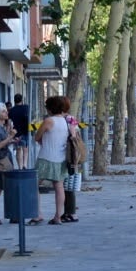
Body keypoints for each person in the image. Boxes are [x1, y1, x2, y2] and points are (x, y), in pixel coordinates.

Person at [33, 95, 69, 225]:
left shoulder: (48, 121)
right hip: (61, 158)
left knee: (33, 185)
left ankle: (38, 214)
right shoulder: (65, 121)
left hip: (46, 157)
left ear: (50, 108)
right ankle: (58, 216)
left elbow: (37, 137)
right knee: (59, 187)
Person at [60, 95, 82, 223]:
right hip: (71, 154)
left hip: (68, 154)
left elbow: (73, 136)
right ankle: (68, 212)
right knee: (67, 184)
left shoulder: (67, 119)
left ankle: (71, 213)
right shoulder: (70, 118)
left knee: (68, 184)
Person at [8, 93, 31, 167]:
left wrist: (9, 133)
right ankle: (25, 164)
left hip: (16, 132)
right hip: (26, 131)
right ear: (22, 100)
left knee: (18, 149)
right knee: (25, 148)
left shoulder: (12, 110)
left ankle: (20, 167)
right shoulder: (26, 107)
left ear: (14, 100)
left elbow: (9, 123)